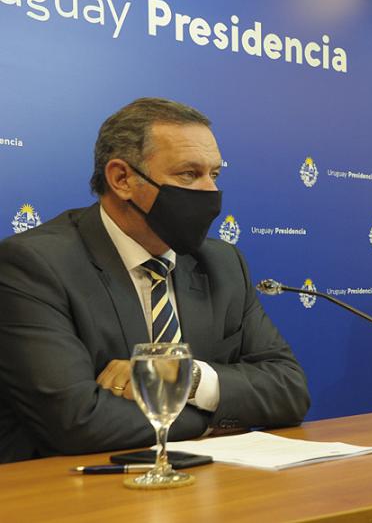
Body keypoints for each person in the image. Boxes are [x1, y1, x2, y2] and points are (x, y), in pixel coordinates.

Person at [0, 98, 310, 463]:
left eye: (216, 174)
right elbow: (78, 421)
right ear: (122, 179)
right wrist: (220, 417)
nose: (211, 192)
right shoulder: (35, 265)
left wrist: (188, 378)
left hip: (206, 489)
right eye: (188, 174)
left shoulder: (222, 263)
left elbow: (289, 391)